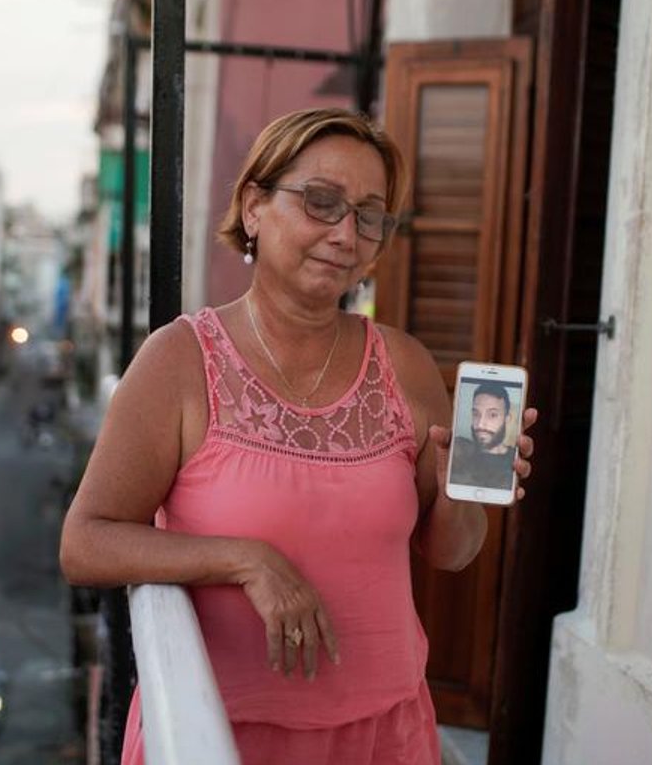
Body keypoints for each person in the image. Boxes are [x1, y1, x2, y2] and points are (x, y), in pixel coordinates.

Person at [59, 107, 537, 765]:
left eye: (369, 216)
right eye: (321, 202)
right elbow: (86, 542)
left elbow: (450, 552)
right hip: (225, 737)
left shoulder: (404, 363)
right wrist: (246, 560)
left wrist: (464, 490)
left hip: (388, 733)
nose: (346, 234)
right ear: (254, 206)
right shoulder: (179, 360)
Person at [449, 383, 518, 490]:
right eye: (476, 414)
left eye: (492, 415)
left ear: (507, 419)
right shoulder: (458, 450)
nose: (480, 425)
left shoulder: (515, 459)